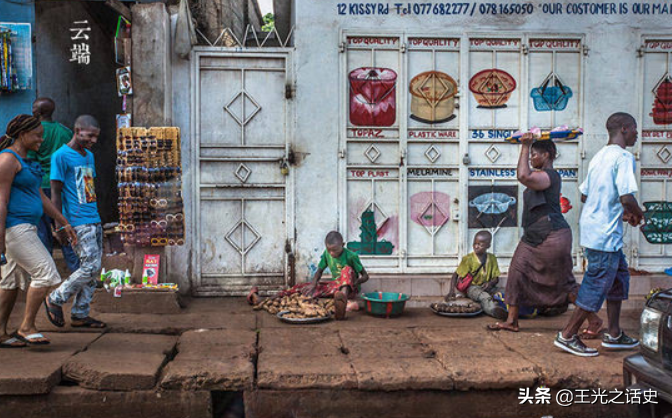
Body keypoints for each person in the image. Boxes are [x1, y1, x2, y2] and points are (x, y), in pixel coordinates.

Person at [488, 133, 602, 333]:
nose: (531, 158)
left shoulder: (550, 176)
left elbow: (524, 176)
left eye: (534, 154)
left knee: (563, 284)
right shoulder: (544, 174)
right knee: (517, 273)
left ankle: (594, 320)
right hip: (536, 237)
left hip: (551, 237)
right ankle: (511, 321)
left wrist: (525, 146)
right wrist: (528, 147)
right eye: (530, 154)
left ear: (547, 155)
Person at [555, 112, 644, 357]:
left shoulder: (598, 157)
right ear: (625, 129)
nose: (637, 134)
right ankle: (567, 335)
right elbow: (626, 197)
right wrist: (639, 214)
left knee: (618, 279)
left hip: (598, 231)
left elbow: (586, 195)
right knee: (596, 285)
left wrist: (621, 213)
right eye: (635, 129)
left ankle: (614, 334)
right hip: (604, 235)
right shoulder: (623, 157)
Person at [0, 115, 77, 346]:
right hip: (15, 228)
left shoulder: (27, 161)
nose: (41, 140)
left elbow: (40, 197)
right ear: (22, 135)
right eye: (37, 136)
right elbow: (1, 201)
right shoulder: (7, 160)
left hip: (27, 227)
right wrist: (0, 236)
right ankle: (26, 326)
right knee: (46, 273)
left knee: (10, 282)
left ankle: (1, 333)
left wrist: (63, 221)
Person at [44, 115, 106, 329]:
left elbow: (88, 189)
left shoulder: (88, 156)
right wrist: (59, 225)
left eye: (96, 137)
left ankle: (80, 314)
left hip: (93, 218)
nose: (93, 141)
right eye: (90, 136)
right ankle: (55, 298)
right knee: (90, 266)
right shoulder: (60, 156)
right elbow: (55, 193)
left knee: (93, 269)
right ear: (77, 130)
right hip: (77, 222)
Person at [248, 231, 369, 320]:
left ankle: (343, 301)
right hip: (336, 286)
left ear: (343, 244)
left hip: (350, 288)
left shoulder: (351, 256)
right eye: (329, 249)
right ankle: (263, 299)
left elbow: (365, 276)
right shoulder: (327, 254)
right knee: (302, 287)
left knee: (346, 270)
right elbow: (319, 271)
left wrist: (355, 282)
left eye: (335, 250)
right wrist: (313, 284)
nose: (332, 253)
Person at [30, 98, 80, 272]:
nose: (32, 111)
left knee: (42, 232)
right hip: (61, 187)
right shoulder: (65, 132)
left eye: (33, 108)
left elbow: (29, 161)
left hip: (41, 187)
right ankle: (76, 269)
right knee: (65, 227)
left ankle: (46, 272)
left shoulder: (33, 134)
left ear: (38, 112)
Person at [445, 231, 507, 320]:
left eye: (480, 245)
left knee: (502, 293)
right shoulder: (468, 259)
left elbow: (496, 278)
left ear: (488, 246)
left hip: (488, 287)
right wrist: (451, 291)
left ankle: (510, 311)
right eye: (475, 243)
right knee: (484, 297)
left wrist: (490, 283)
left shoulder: (492, 258)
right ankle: (493, 311)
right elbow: (456, 275)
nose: (476, 246)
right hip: (472, 288)